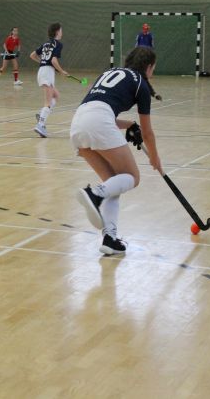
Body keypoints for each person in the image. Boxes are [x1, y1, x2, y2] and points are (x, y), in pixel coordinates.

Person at [70, 46, 163, 255]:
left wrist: (130, 125)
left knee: (114, 183)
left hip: (78, 123)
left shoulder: (110, 72)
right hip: (99, 122)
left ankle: (110, 238)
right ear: (149, 67)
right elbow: (148, 133)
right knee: (132, 177)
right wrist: (155, 157)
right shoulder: (141, 84)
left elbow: (99, 110)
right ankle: (94, 194)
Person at [29, 23, 70, 137]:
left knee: (55, 95)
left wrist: (43, 62)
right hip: (47, 73)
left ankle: (41, 114)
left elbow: (32, 55)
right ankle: (40, 125)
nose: (62, 32)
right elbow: (53, 61)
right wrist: (61, 71)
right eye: (61, 30)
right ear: (57, 32)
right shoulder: (58, 44)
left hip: (43, 71)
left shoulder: (46, 43)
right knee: (48, 101)